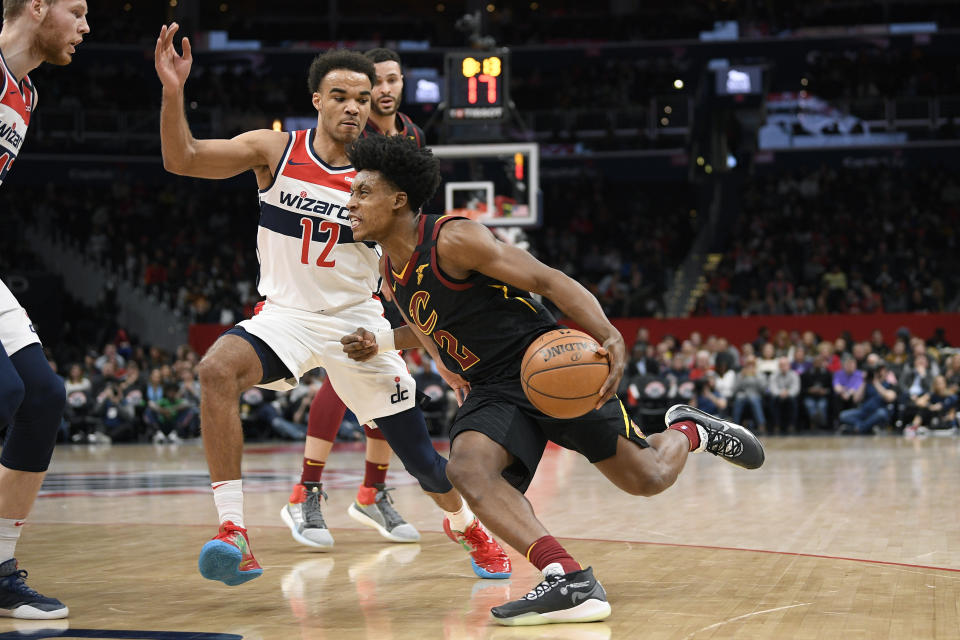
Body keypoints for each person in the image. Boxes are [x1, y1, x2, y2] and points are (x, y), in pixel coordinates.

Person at [340, 134, 765, 626]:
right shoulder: (391, 270)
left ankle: (692, 431)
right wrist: (396, 348)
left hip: (548, 362)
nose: (350, 203)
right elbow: (427, 321)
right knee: (468, 469)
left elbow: (548, 280)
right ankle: (567, 577)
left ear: (398, 200)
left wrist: (607, 332)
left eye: (362, 192)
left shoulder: (454, 238)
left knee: (647, 479)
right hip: (492, 387)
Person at [154, 24, 509, 586]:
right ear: (316, 99)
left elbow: (406, 278)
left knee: (423, 461)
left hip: (358, 323)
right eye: (340, 97)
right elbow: (184, 158)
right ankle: (233, 532)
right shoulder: (276, 150)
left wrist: (438, 353)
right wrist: (174, 91)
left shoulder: (383, 180)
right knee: (215, 369)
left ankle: (467, 527)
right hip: (286, 317)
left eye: (363, 99)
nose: (352, 108)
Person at [283, 46, 427, 554]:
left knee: (391, 384)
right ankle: (308, 486)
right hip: (339, 277)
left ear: (401, 86)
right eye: (375, 85)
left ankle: (371, 490)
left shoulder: (410, 137)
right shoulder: (353, 139)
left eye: (391, 82)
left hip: (392, 271)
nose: (383, 91)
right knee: (339, 378)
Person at [0, 0, 89, 620]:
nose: (86, 27)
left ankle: (1, 569)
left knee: (41, 394)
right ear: (37, 7)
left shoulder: (26, 94)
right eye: (77, 11)